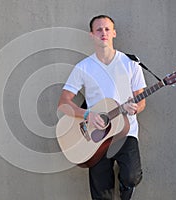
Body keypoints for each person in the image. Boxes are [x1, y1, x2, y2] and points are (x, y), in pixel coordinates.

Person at [58, 15, 147, 200]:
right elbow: (63, 104)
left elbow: (142, 100)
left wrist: (135, 108)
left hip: (126, 131)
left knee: (132, 177)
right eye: (98, 29)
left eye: (107, 29)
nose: (103, 33)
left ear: (114, 33)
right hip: (95, 137)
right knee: (101, 194)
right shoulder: (83, 67)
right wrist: (87, 114)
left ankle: (125, 187)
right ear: (92, 35)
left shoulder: (131, 63)